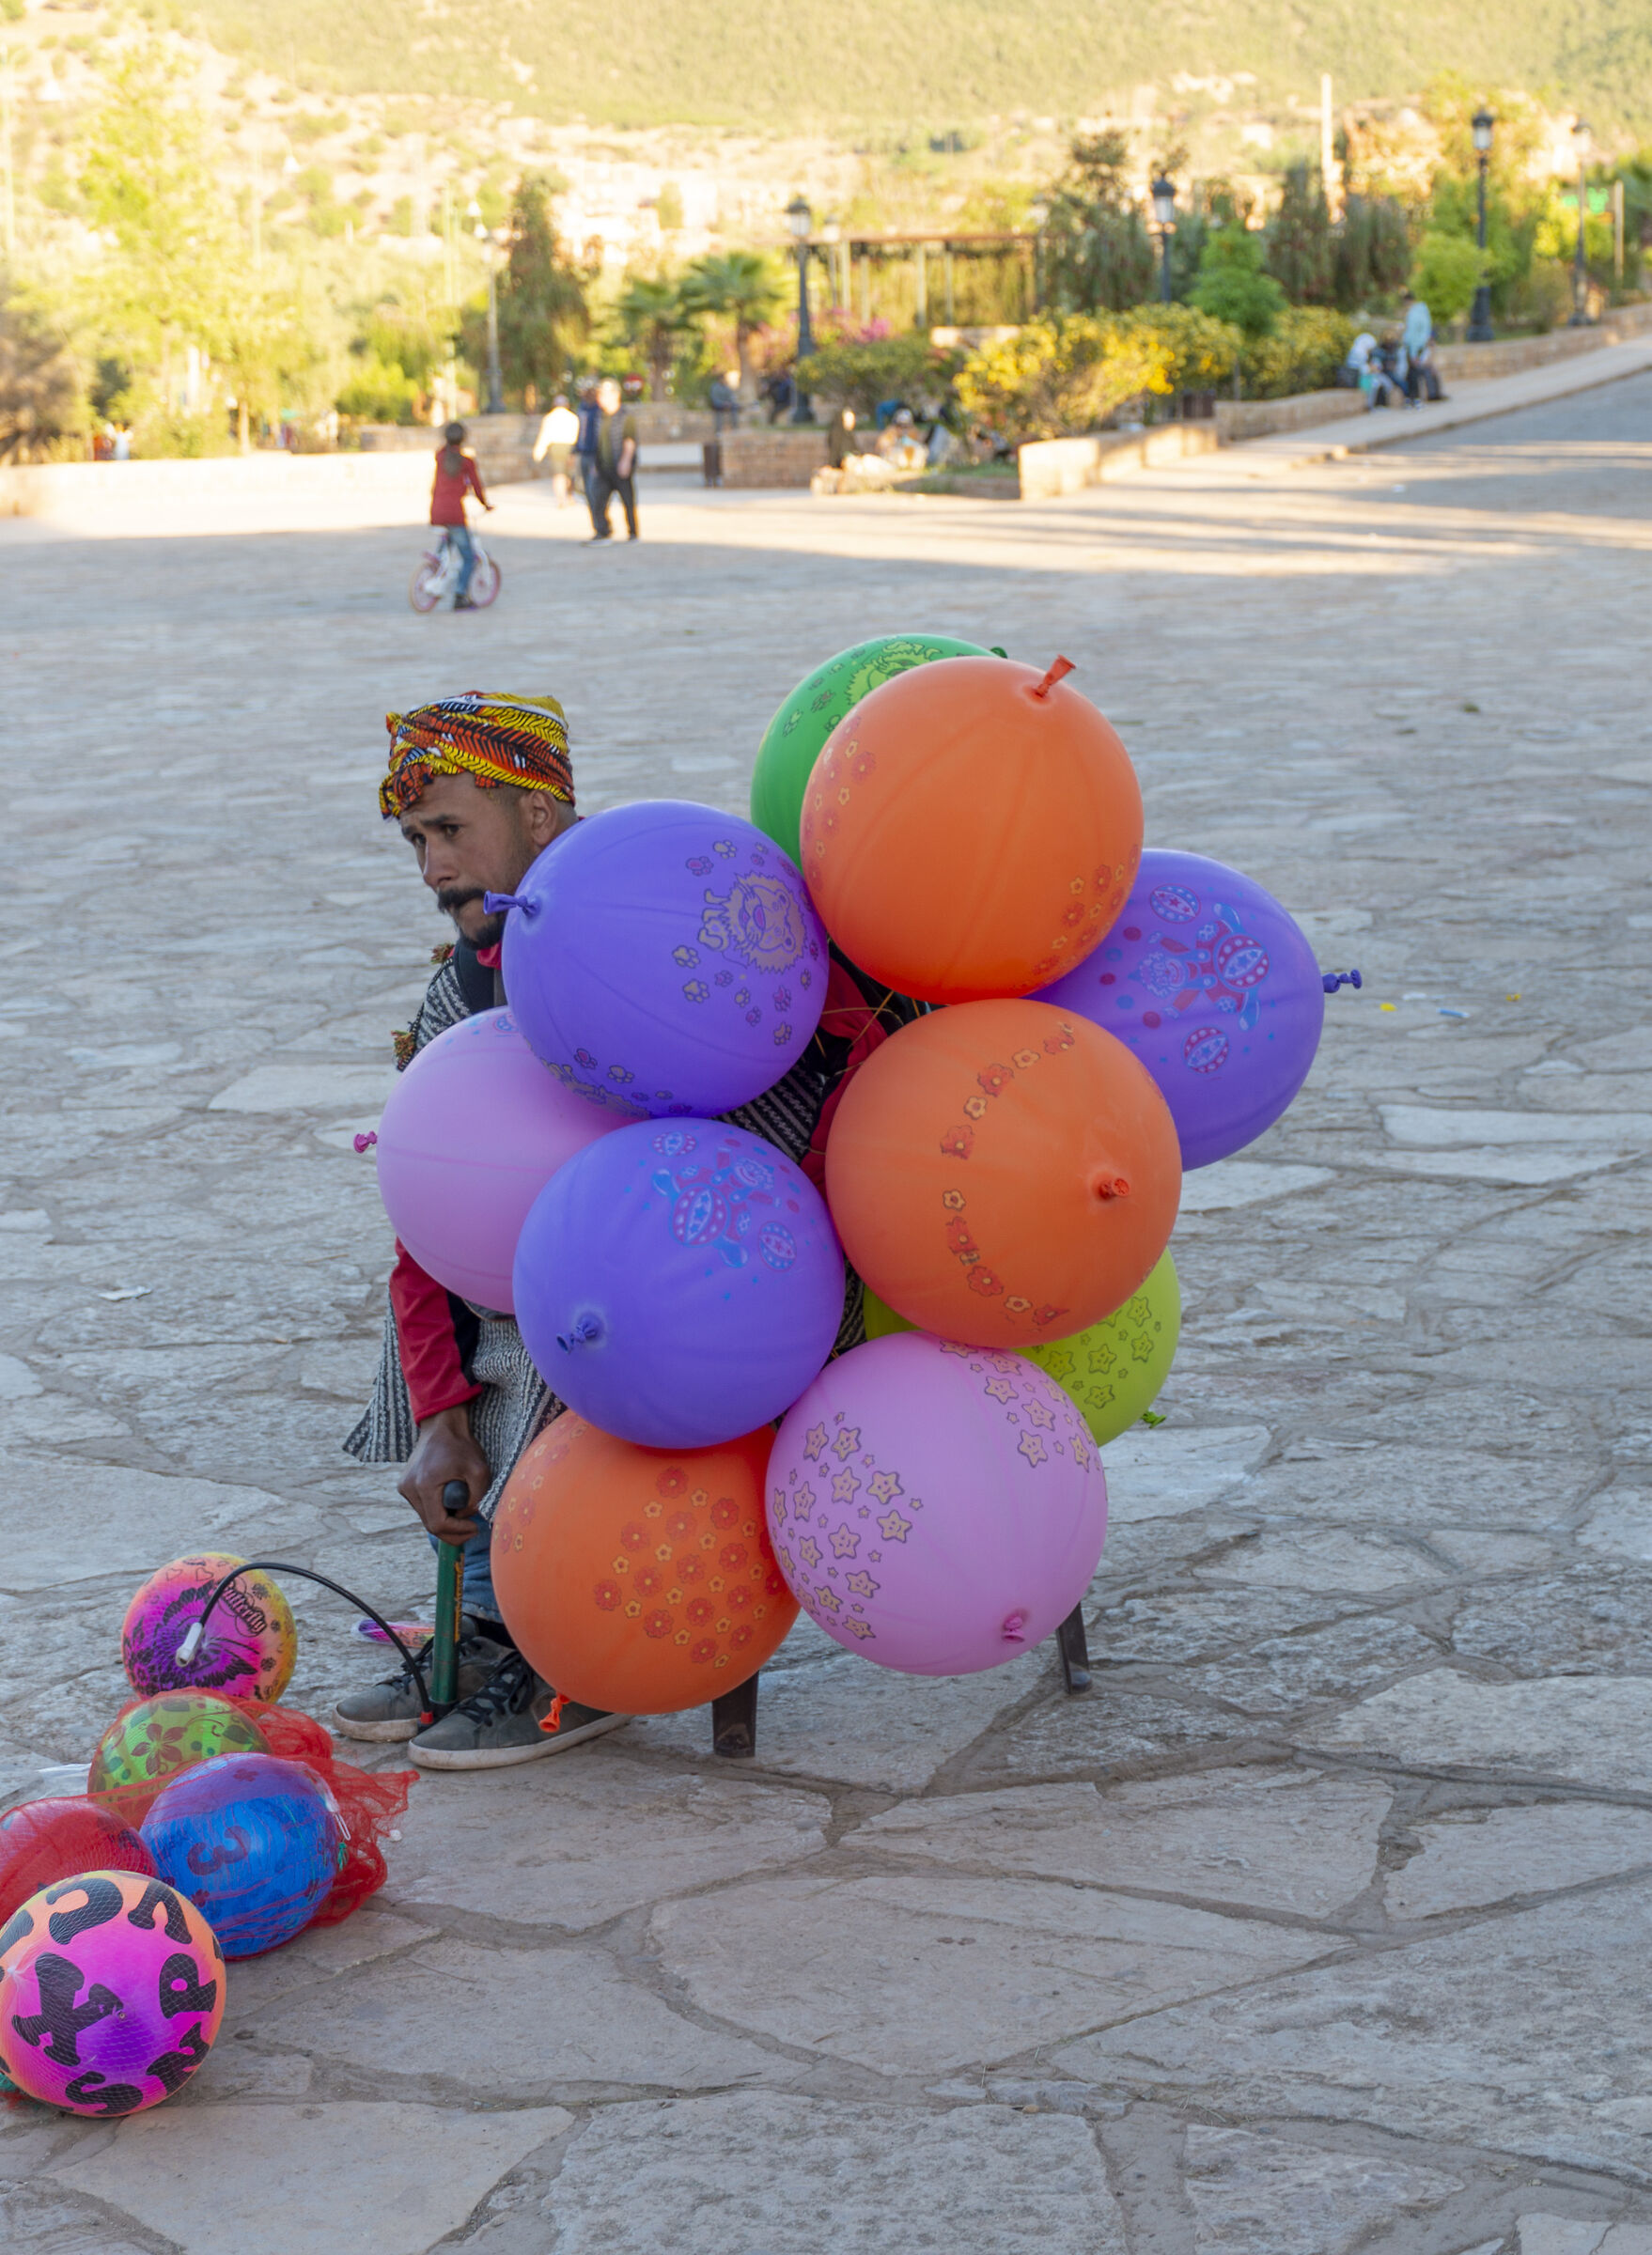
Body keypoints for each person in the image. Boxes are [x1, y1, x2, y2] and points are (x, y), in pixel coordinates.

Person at [339, 690, 917, 1766]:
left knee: (598, 1289)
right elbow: (427, 1221)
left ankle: (571, 1648)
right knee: (478, 1283)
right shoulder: (461, 997)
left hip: (731, 1295)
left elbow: (833, 1071)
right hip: (571, 1275)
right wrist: (437, 1411)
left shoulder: (669, 941)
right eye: (416, 841)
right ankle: (494, 1608)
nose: (431, 870)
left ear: (542, 819)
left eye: (452, 832)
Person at [429, 421, 492, 609]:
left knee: (448, 543)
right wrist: (485, 504)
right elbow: (477, 486)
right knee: (468, 557)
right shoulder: (466, 462)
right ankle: (460, 596)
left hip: (436, 511)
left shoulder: (440, 457)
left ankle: (439, 563)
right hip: (454, 514)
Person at [587, 377, 639, 543]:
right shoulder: (599, 416)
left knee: (628, 501)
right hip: (603, 466)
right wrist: (595, 464)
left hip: (620, 465)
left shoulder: (626, 416)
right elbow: (598, 442)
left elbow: (630, 441)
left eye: (604, 394)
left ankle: (633, 532)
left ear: (615, 395)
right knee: (598, 500)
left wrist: (626, 461)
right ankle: (603, 531)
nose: (600, 398)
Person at [531, 393, 580, 505]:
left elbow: (544, 436)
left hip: (556, 448)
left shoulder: (549, 418)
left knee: (559, 474)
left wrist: (538, 452)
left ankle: (561, 499)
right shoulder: (573, 417)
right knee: (569, 474)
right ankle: (569, 496)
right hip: (569, 447)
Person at [1400, 290, 1442, 403]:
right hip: (1423, 346)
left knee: (1413, 374)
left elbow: (1412, 334)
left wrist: (1412, 351)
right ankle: (1432, 393)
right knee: (1425, 370)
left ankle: (1414, 397)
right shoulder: (1424, 311)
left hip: (1416, 348)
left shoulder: (1413, 314)